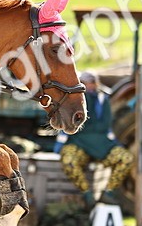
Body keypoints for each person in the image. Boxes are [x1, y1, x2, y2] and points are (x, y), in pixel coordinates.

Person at [54, 70, 134, 207]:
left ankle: (107, 193)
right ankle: (87, 194)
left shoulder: (103, 100)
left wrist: (113, 143)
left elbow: (107, 127)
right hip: (78, 144)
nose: (90, 87)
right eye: (86, 84)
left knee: (126, 158)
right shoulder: (73, 100)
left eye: (92, 83)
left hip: (103, 145)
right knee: (68, 160)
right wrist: (59, 145)